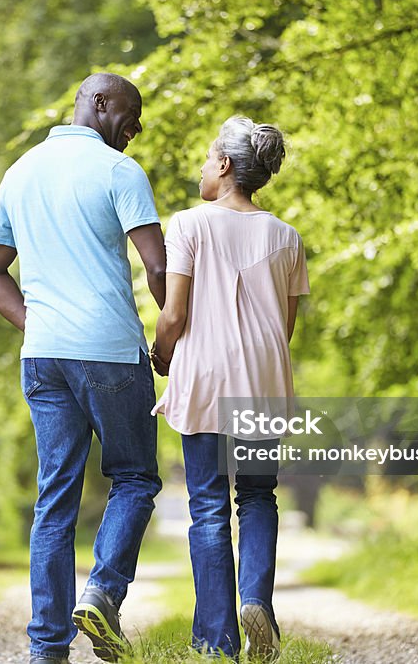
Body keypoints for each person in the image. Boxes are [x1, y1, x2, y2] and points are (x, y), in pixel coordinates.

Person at [0, 72, 166, 664]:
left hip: (44, 357)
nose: (133, 131)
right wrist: (177, 337)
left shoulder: (21, 170)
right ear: (99, 103)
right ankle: (104, 595)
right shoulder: (118, 172)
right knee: (134, 477)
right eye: (129, 117)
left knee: (54, 500)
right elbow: (159, 269)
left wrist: (40, 324)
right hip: (109, 353)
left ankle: (46, 650)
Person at [151, 116, 310, 660]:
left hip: (207, 379)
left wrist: (161, 354)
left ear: (224, 165)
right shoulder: (287, 237)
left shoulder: (189, 224)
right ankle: (256, 602)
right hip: (264, 379)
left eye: (206, 157)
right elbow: (283, 329)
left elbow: (173, 314)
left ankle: (216, 642)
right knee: (259, 496)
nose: (201, 167)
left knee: (210, 506)